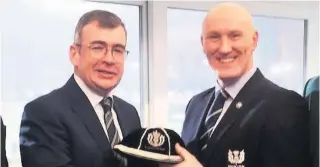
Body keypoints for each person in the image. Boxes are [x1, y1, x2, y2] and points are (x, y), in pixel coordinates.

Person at [169, 2, 310, 167]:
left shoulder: (284, 106)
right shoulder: (195, 105)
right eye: (214, 37)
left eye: (234, 35)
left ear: (254, 40)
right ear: (203, 43)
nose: (224, 48)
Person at [19, 10, 153, 167]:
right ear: (75, 54)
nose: (109, 59)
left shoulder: (129, 113)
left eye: (118, 50)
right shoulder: (43, 113)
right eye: (98, 48)